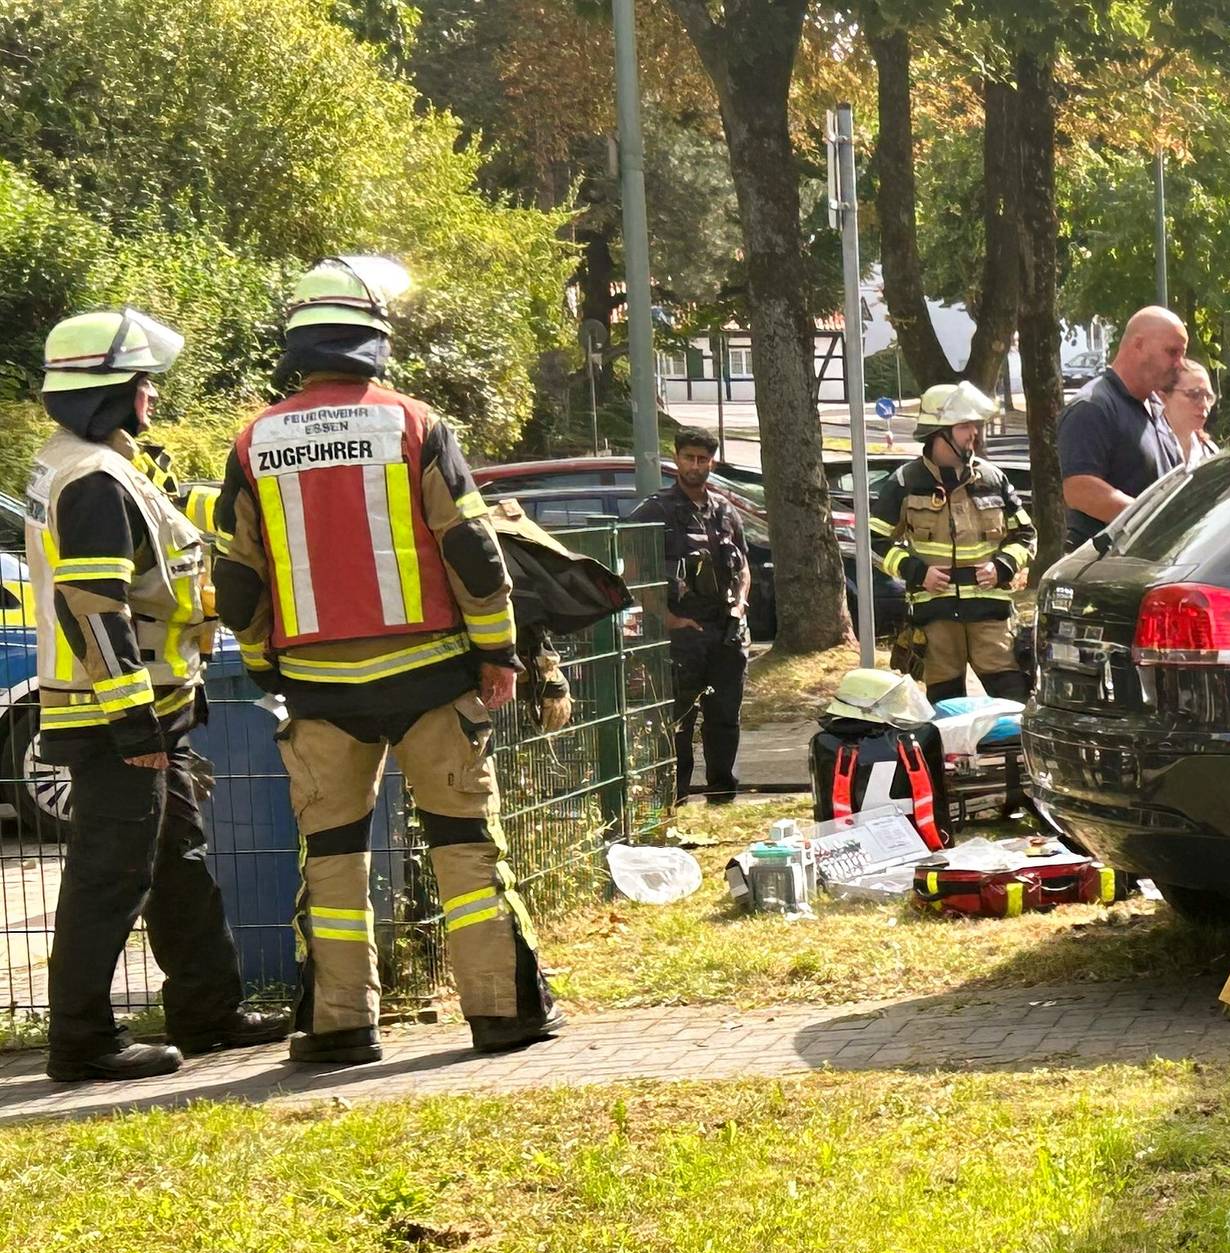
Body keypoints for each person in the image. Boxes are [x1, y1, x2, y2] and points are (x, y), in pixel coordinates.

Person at [216, 255, 561, 1065]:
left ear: (299, 346)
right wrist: (497, 652)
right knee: (464, 844)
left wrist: (265, 665)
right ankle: (502, 1013)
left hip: (318, 690)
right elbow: (472, 551)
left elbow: (239, 580)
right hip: (430, 678)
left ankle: (339, 1025)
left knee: (332, 859)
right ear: (374, 340)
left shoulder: (255, 441)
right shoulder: (412, 423)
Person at [32, 307, 288, 1082]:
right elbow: (93, 607)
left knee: (178, 859)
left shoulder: (91, 462)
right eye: (143, 382)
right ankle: (82, 1042)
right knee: (111, 875)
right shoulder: (93, 479)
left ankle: (208, 1011)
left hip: (150, 710)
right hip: (118, 718)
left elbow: (166, 540)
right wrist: (133, 721)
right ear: (109, 391)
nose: (152, 395)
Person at [872, 382, 1034, 704]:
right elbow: (874, 542)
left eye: (974, 425)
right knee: (947, 710)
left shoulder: (993, 479)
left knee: (1014, 703)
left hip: (990, 616)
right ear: (939, 432)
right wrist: (917, 573)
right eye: (964, 426)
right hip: (936, 619)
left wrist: (1002, 566)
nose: (973, 433)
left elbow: (1026, 536)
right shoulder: (905, 483)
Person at [630, 428, 751, 803]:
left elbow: (744, 567)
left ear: (712, 463)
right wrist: (665, 617)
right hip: (681, 633)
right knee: (679, 720)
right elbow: (631, 572)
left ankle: (722, 794)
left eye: (703, 459)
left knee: (724, 717)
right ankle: (676, 795)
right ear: (676, 458)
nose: (695, 466)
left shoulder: (725, 510)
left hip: (726, 630)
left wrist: (740, 605)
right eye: (689, 458)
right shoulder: (655, 511)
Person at [1060, 306, 1189, 550]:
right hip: (1108, 566)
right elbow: (1079, 489)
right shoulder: (1092, 406)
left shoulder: (1153, 405)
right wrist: (1153, 522)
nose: (1179, 364)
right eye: (1172, 352)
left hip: (1150, 560)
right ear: (1138, 345)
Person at [1165, 359, 1223, 465]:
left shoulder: (1209, 452)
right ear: (1163, 398)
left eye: (1209, 397)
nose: (1205, 405)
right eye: (1195, 395)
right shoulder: (1151, 448)